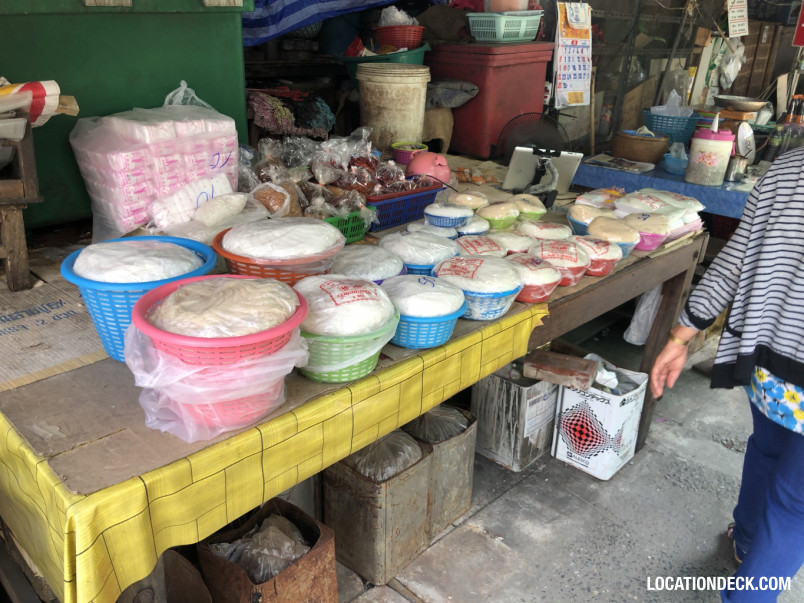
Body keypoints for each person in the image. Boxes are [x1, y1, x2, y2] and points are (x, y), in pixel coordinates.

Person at [650, 146, 804, 602]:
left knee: (767, 451)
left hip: (772, 369)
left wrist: (682, 335)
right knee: (795, 508)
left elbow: (737, 257)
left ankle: (747, 539)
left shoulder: (790, 167)